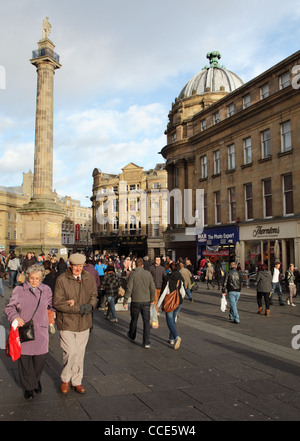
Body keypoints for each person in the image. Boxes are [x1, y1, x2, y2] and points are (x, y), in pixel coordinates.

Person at [5, 264, 53, 399]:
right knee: (25, 362)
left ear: (42, 278)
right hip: (24, 331)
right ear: (28, 277)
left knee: (40, 360)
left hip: (41, 331)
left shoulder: (46, 290)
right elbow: (10, 308)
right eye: (32, 278)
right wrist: (15, 317)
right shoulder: (19, 290)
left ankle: (35, 379)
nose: (34, 281)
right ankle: (28, 387)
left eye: (37, 278)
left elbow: (52, 306)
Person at [53, 253, 98, 395]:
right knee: (71, 352)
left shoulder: (89, 278)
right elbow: (57, 302)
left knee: (80, 354)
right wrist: (77, 307)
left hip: (84, 322)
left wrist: (90, 306)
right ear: (70, 265)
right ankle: (65, 379)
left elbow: (93, 295)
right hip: (66, 322)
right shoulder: (62, 279)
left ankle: (77, 381)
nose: (78, 269)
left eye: (80, 266)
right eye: (75, 266)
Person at [123, 257, 155, 349]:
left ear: (135, 265)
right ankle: (146, 342)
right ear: (143, 265)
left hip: (135, 301)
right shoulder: (148, 274)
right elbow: (152, 288)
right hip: (146, 301)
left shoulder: (133, 274)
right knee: (146, 322)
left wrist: (125, 300)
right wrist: (152, 298)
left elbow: (129, 288)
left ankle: (132, 335)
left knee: (134, 319)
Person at [157, 262, 185, 349]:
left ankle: (176, 337)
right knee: (173, 319)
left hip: (169, 302)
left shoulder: (167, 278)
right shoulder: (180, 277)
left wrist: (157, 305)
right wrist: (180, 300)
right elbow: (183, 292)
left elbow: (164, 292)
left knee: (170, 321)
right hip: (178, 302)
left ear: (170, 268)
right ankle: (171, 338)